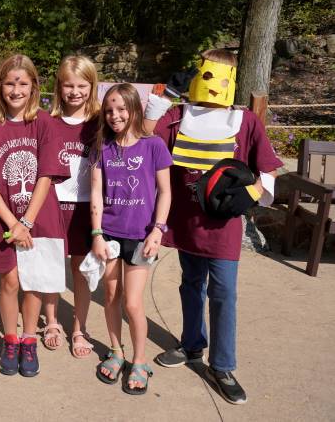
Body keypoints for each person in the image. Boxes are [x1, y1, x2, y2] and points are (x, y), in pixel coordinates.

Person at [145, 49, 282, 404]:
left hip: (223, 226)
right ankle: (191, 345)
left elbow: (267, 169)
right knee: (190, 284)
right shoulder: (178, 117)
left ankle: (222, 365)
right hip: (186, 221)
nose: (212, 82)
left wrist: (250, 194)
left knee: (223, 294)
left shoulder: (245, 121)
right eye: (205, 73)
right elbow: (146, 141)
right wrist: (166, 96)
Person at [0, 54, 68, 377]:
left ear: (33, 86)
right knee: (10, 280)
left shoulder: (44, 123)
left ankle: (30, 338)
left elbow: (46, 174)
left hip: (38, 217)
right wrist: (12, 222)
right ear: (0, 87)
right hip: (3, 218)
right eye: (9, 83)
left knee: (33, 282)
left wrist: (26, 221)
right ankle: (10, 339)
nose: (16, 90)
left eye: (23, 83)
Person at [90, 83, 172, 395]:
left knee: (133, 303)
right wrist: (97, 234)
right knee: (111, 297)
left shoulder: (154, 146)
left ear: (134, 109)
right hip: (109, 235)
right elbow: (96, 191)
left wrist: (158, 230)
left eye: (121, 108)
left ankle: (140, 360)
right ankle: (116, 351)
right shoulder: (102, 147)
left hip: (141, 238)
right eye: (109, 110)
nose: (115, 115)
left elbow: (165, 191)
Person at [42, 55, 100, 358]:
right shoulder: (46, 122)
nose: (75, 92)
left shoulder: (100, 123)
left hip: (85, 209)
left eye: (82, 85)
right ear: (58, 87)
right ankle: (51, 321)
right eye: (68, 86)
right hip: (52, 206)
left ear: (92, 86)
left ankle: (79, 327)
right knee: (52, 267)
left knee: (80, 270)